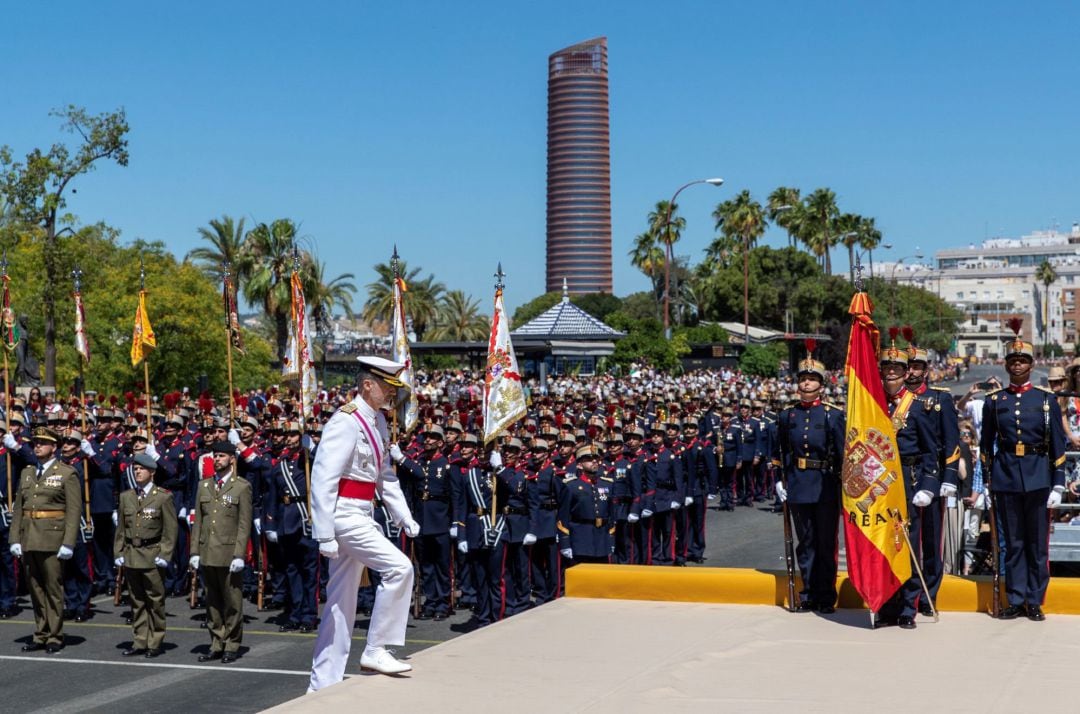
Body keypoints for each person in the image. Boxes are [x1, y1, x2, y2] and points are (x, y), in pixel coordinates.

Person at [308, 356, 420, 692]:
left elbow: (384, 476)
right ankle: (375, 649)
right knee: (399, 569)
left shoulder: (379, 423)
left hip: (363, 511)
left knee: (341, 603)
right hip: (344, 514)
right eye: (386, 386)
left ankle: (322, 682)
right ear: (367, 384)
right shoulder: (345, 421)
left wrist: (403, 515)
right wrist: (324, 532)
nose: (390, 393)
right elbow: (323, 478)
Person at [979, 333, 1067, 621]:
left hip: (1039, 475)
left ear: (1031, 365)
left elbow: (1057, 445)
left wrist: (1058, 481)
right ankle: (1015, 598)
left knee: (1036, 544)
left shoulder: (1045, 400)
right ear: (1006, 366)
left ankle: (1034, 600)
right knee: (1012, 544)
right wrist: (986, 482)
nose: (1017, 366)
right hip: (1006, 477)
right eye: (1013, 361)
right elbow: (985, 445)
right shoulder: (994, 401)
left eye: (1023, 361)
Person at [874, 345, 941, 630]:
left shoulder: (918, 406)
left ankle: (907, 606)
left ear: (905, 374)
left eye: (897, 370)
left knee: (908, 546)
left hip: (909, 481)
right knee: (885, 546)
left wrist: (928, 485)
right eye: (887, 370)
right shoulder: (873, 405)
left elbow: (931, 451)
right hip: (881, 485)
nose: (891, 374)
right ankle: (886, 605)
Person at [775, 351, 845, 613]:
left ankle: (826, 596)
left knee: (825, 543)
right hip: (798, 484)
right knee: (805, 543)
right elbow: (779, 452)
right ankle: (808, 593)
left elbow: (841, 455)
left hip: (825, 485)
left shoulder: (832, 415)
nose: (806, 384)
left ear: (821, 385)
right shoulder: (787, 416)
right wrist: (778, 481)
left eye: (812, 379)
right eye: (803, 379)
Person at [8, 427, 81, 653]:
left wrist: (69, 542)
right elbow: (19, 508)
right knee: (35, 589)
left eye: (42, 442)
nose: (37, 446)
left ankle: (55, 636)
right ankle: (40, 633)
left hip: (52, 539)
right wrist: (14, 538)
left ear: (54, 447)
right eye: (35, 443)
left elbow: (73, 511)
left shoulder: (67, 473)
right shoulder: (27, 472)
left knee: (53, 589)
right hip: (29, 537)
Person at [189, 441, 252, 663]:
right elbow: (198, 521)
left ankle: (232, 644)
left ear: (232, 460)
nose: (217, 460)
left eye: (222, 456)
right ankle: (216, 642)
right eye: (215, 456)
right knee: (212, 602)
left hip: (228, 552)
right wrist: (194, 551)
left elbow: (244, 524)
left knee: (232, 602)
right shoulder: (204, 486)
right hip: (207, 551)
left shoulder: (241, 487)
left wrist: (239, 554)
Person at [114, 452, 177, 657]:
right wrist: (119, 551)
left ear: (152, 472)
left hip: (152, 553)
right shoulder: (127, 497)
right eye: (136, 468)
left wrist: (165, 554)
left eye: (141, 469)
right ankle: (140, 640)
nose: (137, 471)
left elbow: (170, 529)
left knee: (155, 600)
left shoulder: (163, 497)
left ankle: (155, 641)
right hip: (132, 553)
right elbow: (122, 529)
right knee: (137, 601)